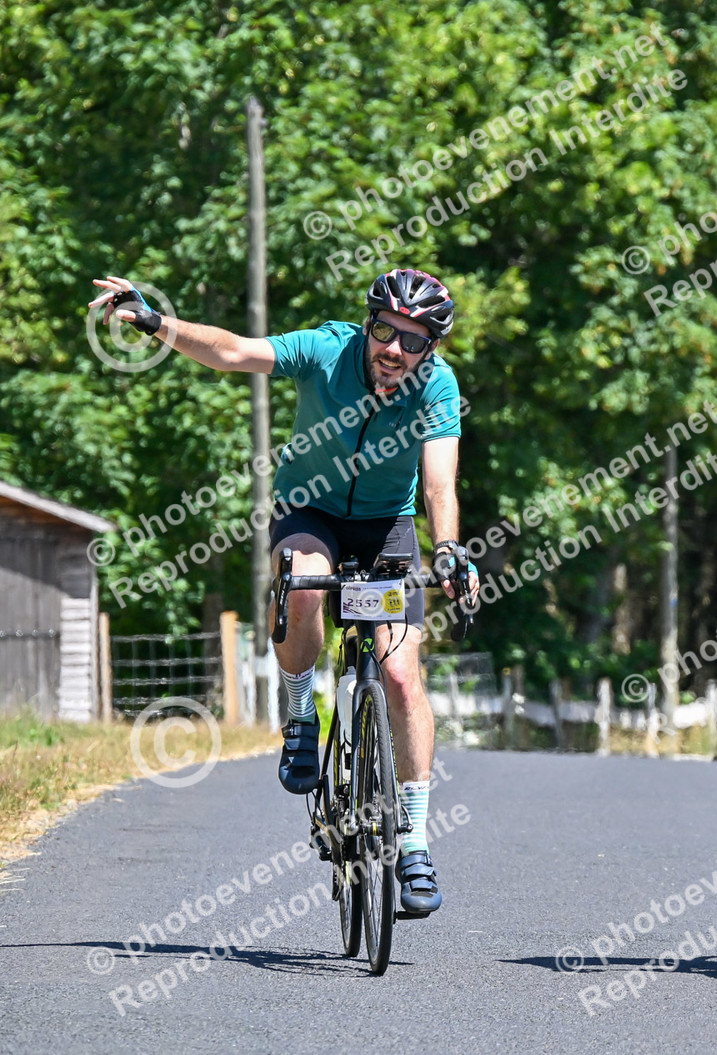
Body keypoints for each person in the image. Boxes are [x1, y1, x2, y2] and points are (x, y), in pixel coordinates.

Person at [89, 268, 480, 917]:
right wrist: (159, 323)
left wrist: (446, 549)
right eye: (384, 331)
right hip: (310, 513)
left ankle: (414, 840)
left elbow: (439, 482)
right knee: (301, 588)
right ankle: (301, 714)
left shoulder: (438, 385)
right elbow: (233, 350)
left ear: (430, 349)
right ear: (367, 325)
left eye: (412, 341)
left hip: (386, 527)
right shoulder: (325, 350)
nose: (393, 349)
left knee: (402, 678)